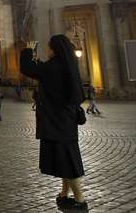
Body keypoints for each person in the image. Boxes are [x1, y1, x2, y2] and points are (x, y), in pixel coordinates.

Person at [21, 35, 88, 211]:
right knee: (65, 160)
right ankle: (64, 194)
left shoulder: (54, 67)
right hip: (66, 122)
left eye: (49, 48)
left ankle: (80, 200)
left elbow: (28, 68)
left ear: (55, 49)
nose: (48, 51)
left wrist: (29, 49)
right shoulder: (68, 65)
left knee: (67, 161)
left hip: (57, 122)